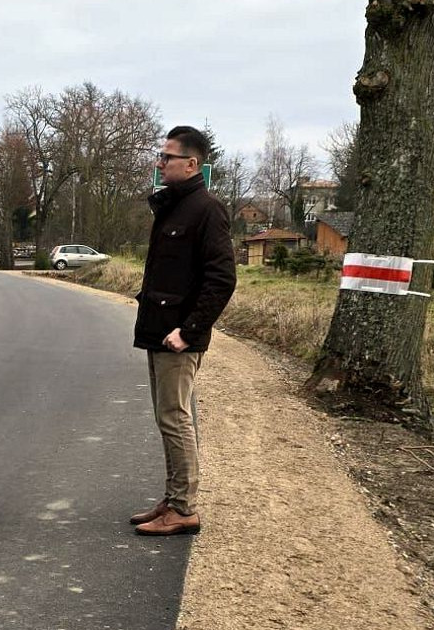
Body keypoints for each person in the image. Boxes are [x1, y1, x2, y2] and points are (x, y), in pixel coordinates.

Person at [129, 125, 236, 536]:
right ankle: (173, 500)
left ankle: (185, 507)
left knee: (176, 417)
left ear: (192, 164)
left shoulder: (207, 210)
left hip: (178, 338)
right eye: (161, 156)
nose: (160, 163)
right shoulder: (173, 207)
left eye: (167, 157)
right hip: (159, 331)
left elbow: (222, 279)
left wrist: (189, 332)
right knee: (165, 417)